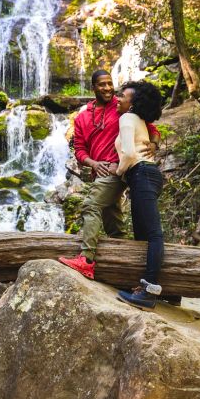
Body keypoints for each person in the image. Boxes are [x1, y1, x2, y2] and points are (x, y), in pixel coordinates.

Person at [59, 70, 160, 279]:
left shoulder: (123, 107)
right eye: (102, 84)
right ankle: (128, 273)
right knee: (114, 226)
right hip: (100, 172)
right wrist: (93, 163)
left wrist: (154, 143)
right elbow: (79, 149)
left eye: (109, 84)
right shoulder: (82, 117)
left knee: (91, 205)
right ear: (93, 87)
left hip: (117, 169)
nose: (107, 88)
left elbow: (149, 126)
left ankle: (86, 260)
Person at [115, 80, 169, 310]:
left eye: (123, 96)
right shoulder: (139, 121)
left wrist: (117, 172)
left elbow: (128, 154)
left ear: (133, 103)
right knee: (142, 236)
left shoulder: (127, 118)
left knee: (153, 234)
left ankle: (150, 290)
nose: (118, 98)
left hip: (142, 173)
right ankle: (145, 286)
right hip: (145, 174)